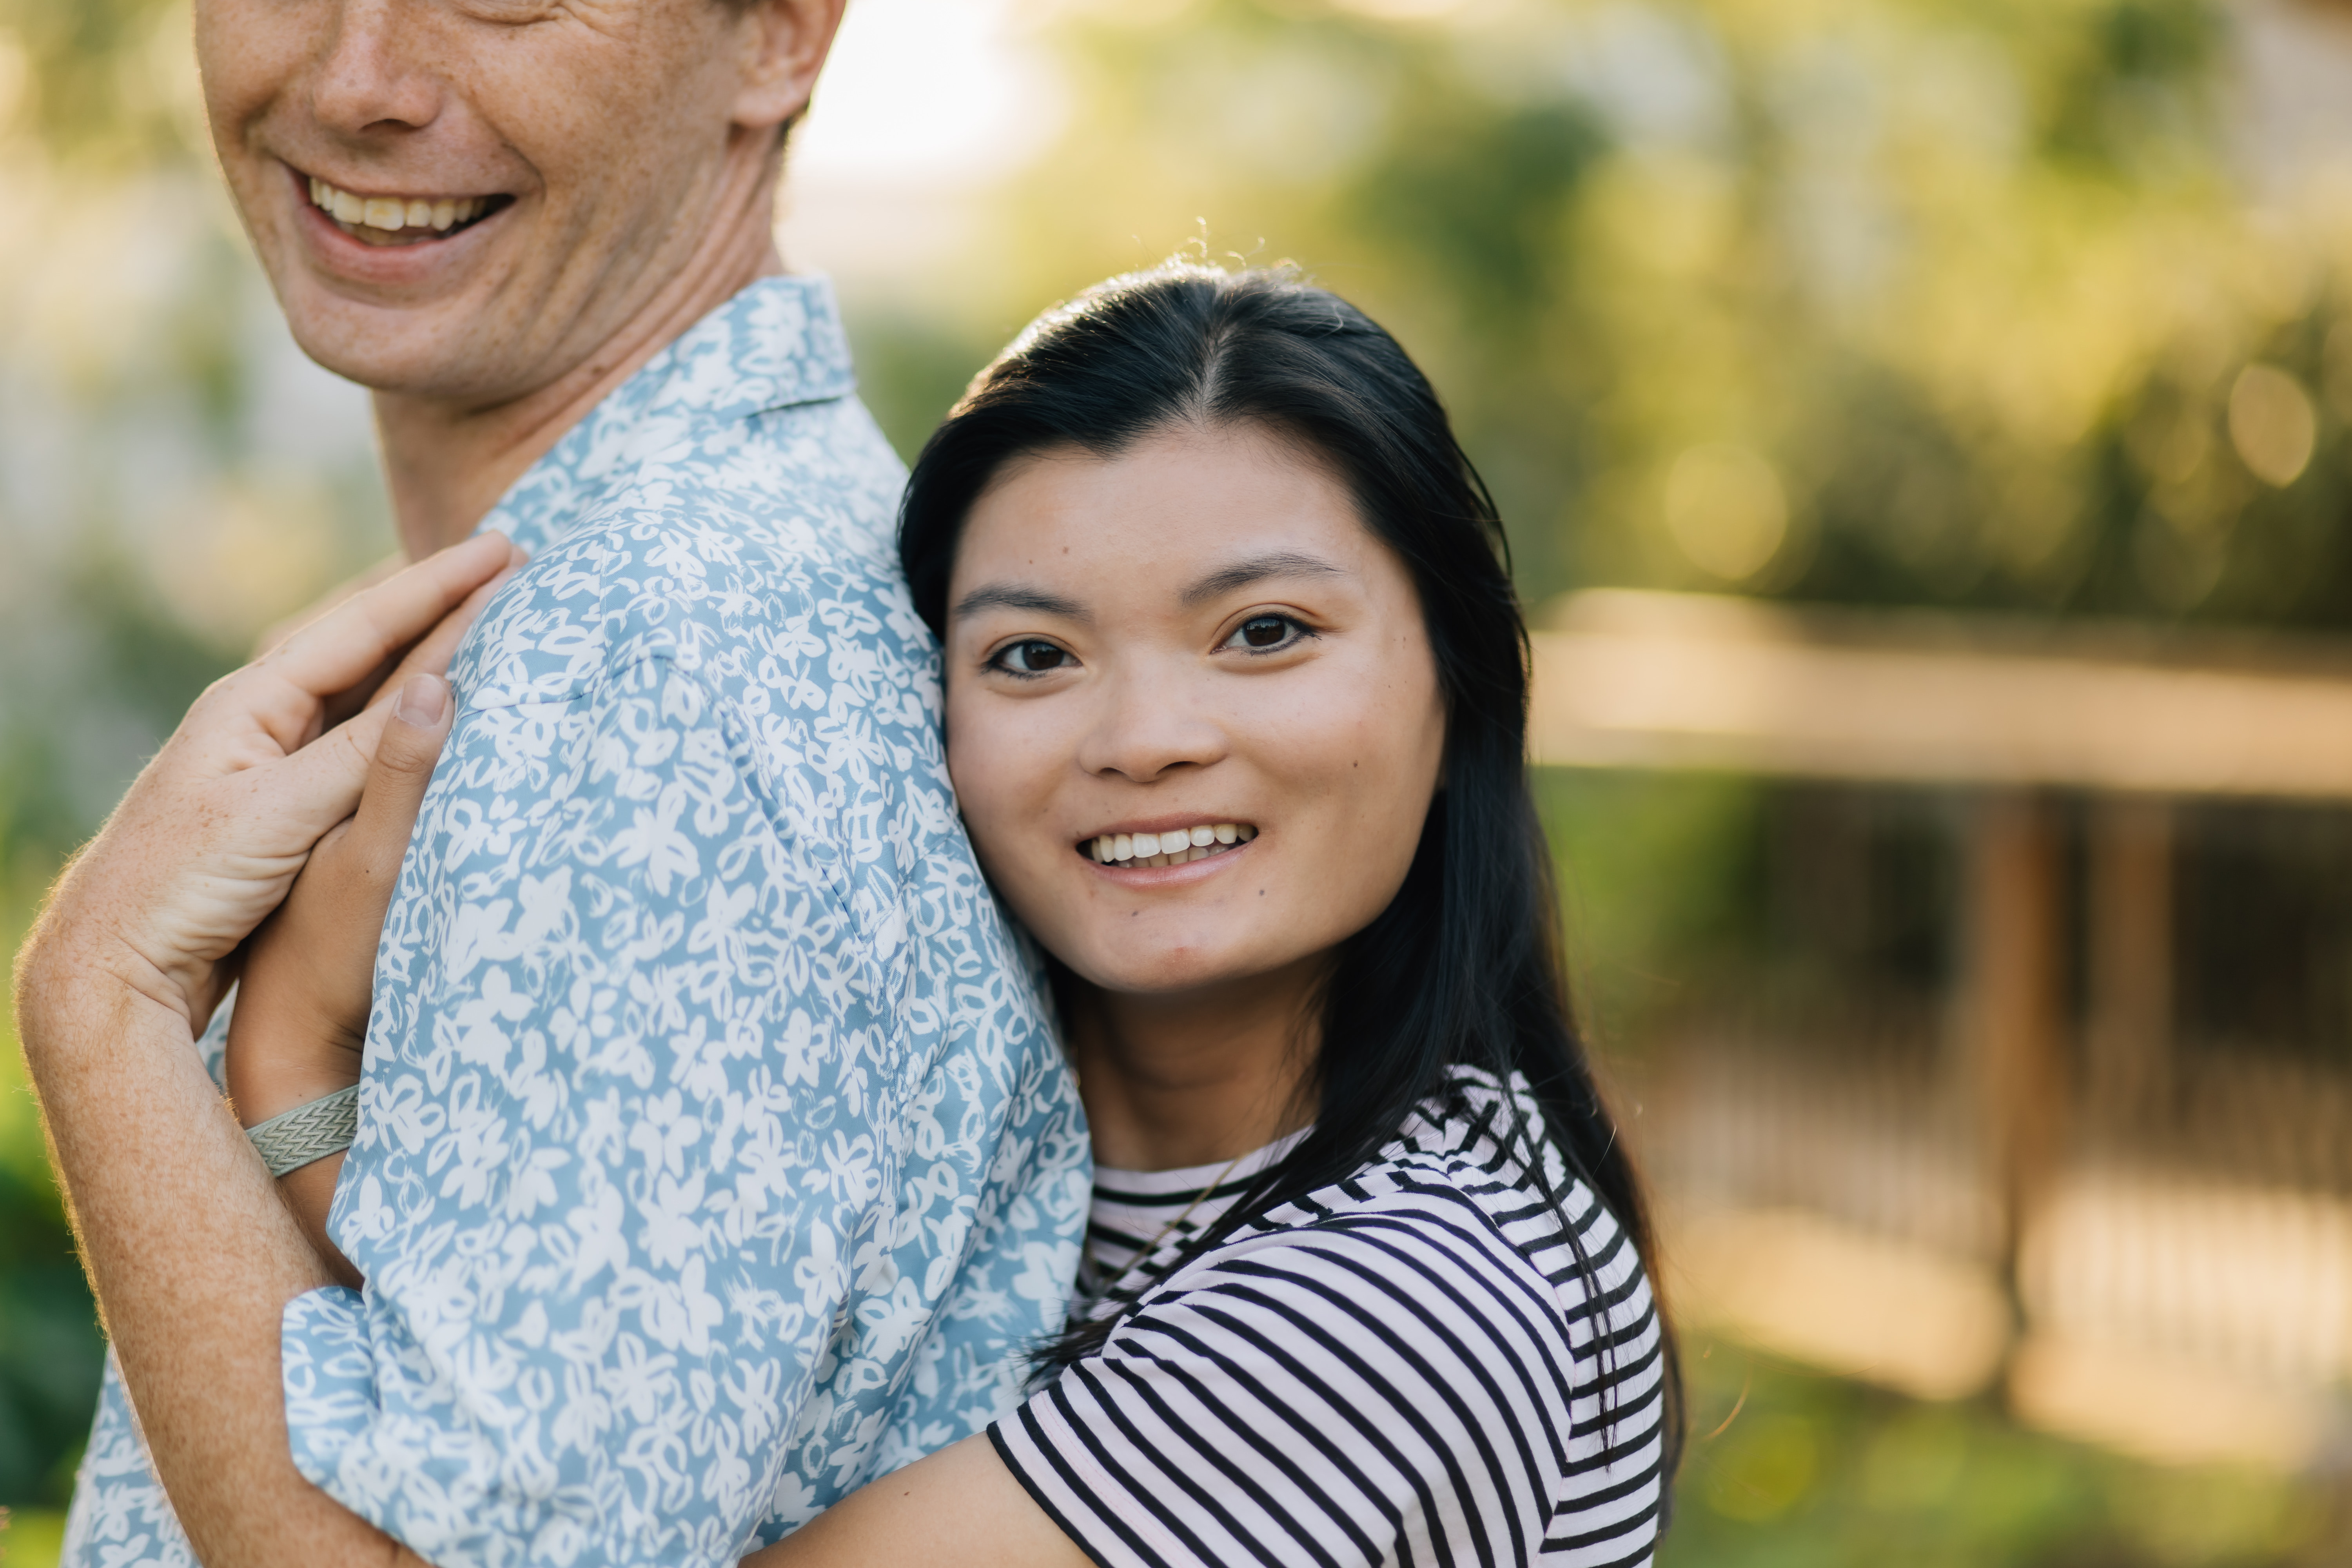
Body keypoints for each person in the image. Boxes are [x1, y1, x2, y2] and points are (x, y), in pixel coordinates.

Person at [27, 262, 1679, 1565]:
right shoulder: (998, 1138)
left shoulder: (1419, 1288)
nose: (1147, 733)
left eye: (1262, 631)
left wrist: (119, 1009)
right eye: (1033, 655)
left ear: (1456, 677)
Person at [16, 0, 1087, 1562]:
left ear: (781, 35)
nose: (356, 79)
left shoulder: (658, 657)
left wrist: (97, 1004)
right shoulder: (607, 593)